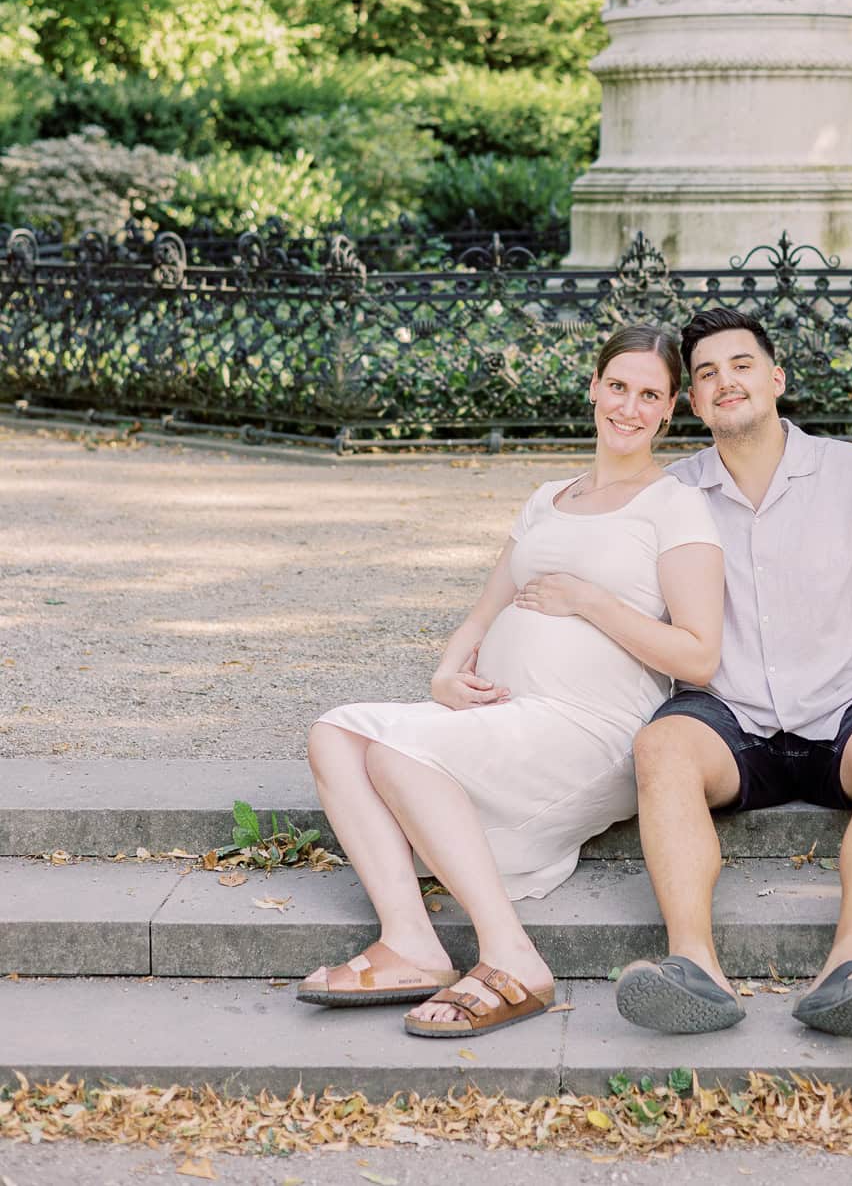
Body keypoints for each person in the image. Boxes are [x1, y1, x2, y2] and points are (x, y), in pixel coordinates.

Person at [298, 324, 725, 1040]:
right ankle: (410, 941)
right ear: (593, 387)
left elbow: (699, 655)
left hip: (592, 729)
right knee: (335, 732)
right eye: (617, 385)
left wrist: (591, 601)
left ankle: (513, 958)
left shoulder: (675, 505)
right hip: (509, 715)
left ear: (672, 406)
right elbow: (481, 613)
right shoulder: (546, 497)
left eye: (650, 393)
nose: (629, 406)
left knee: (396, 752)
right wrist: (445, 672)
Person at [616, 307, 852, 1039]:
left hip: (844, 713)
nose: (724, 381)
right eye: (705, 374)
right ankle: (693, 967)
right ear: (693, 403)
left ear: (775, 377)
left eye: (740, 365)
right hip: (729, 720)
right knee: (658, 746)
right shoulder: (670, 495)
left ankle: (849, 967)